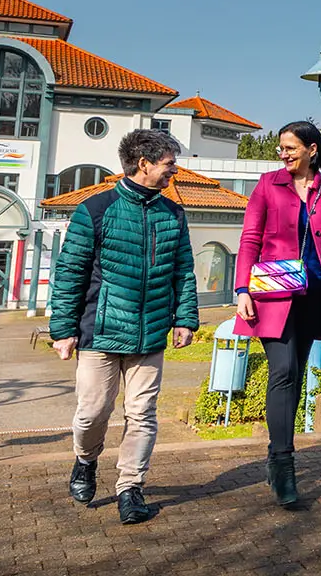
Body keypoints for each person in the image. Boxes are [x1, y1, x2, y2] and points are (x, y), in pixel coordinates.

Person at [49, 129, 198, 525]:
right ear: (143, 163)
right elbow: (70, 273)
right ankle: (85, 460)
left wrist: (185, 319)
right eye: (169, 164)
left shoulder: (174, 214)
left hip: (150, 334)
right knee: (92, 412)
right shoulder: (95, 210)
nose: (174, 171)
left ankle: (130, 488)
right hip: (99, 332)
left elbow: (183, 271)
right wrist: (63, 329)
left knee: (142, 413)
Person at [233, 120, 321, 507]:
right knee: (283, 370)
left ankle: (277, 457)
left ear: (311, 149)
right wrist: (241, 289)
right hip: (272, 294)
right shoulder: (267, 184)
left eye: (290, 148)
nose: (283, 154)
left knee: (296, 374)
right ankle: (283, 464)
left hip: (314, 294)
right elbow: (250, 237)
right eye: (281, 148)